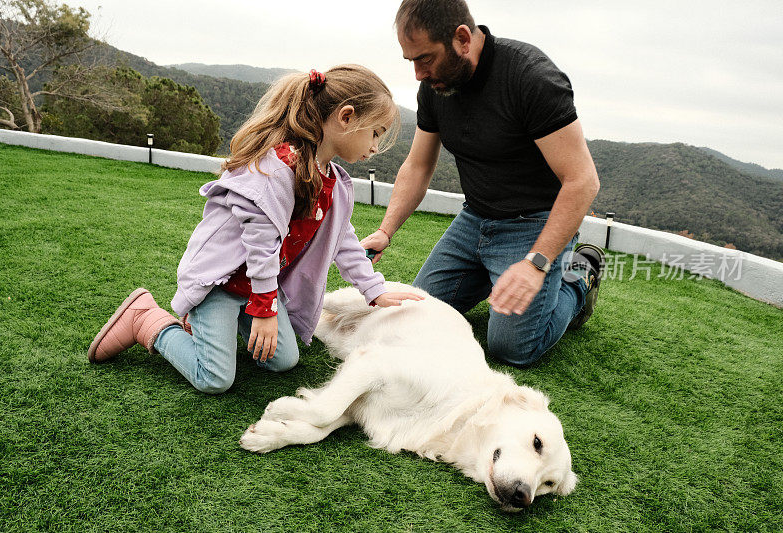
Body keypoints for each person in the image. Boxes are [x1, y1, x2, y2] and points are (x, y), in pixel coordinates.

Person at [88, 65, 424, 393]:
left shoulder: (333, 181)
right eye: (376, 132)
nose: (376, 146)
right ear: (346, 117)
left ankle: (213, 330)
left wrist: (374, 289)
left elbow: (343, 239)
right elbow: (261, 245)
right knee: (215, 379)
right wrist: (264, 310)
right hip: (221, 284)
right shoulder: (275, 168)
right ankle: (147, 320)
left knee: (283, 361)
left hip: (259, 287)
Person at [360, 0, 604, 367]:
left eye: (424, 58)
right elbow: (418, 165)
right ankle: (496, 274)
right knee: (416, 317)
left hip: (534, 225)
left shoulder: (531, 77)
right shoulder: (436, 87)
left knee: (511, 349)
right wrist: (386, 230)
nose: (417, 73)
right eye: (410, 60)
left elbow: (583, 180)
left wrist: (535, 263)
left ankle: (578, 278)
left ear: (461, 38)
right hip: (474, 220)